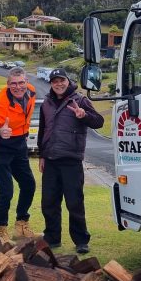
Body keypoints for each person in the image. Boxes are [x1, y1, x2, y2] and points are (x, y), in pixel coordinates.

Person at [37, 68, 104, 254]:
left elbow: (98, 122)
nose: (58, 84)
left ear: (68, 81)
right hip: (50, 160)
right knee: (49, 202)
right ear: (51, 83)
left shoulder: (80, 100)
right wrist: (42, 155)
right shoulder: (47, 104)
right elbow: (43, 131)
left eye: (62, 80)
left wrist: (84, 115)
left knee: (74, 202)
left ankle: (81, 240)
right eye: (54, 81)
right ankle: (52, 238)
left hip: (71, 161)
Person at [0, 67, 38, 242]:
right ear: (8, 85)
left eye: (21, 82)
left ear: (26, 81)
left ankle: (21, 225)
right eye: (13, 83)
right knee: (6, 190)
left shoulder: (32, 93)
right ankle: (1, 230)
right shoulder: (1, 101)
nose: (18, 87)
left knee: (29, 184)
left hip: (18, 144)